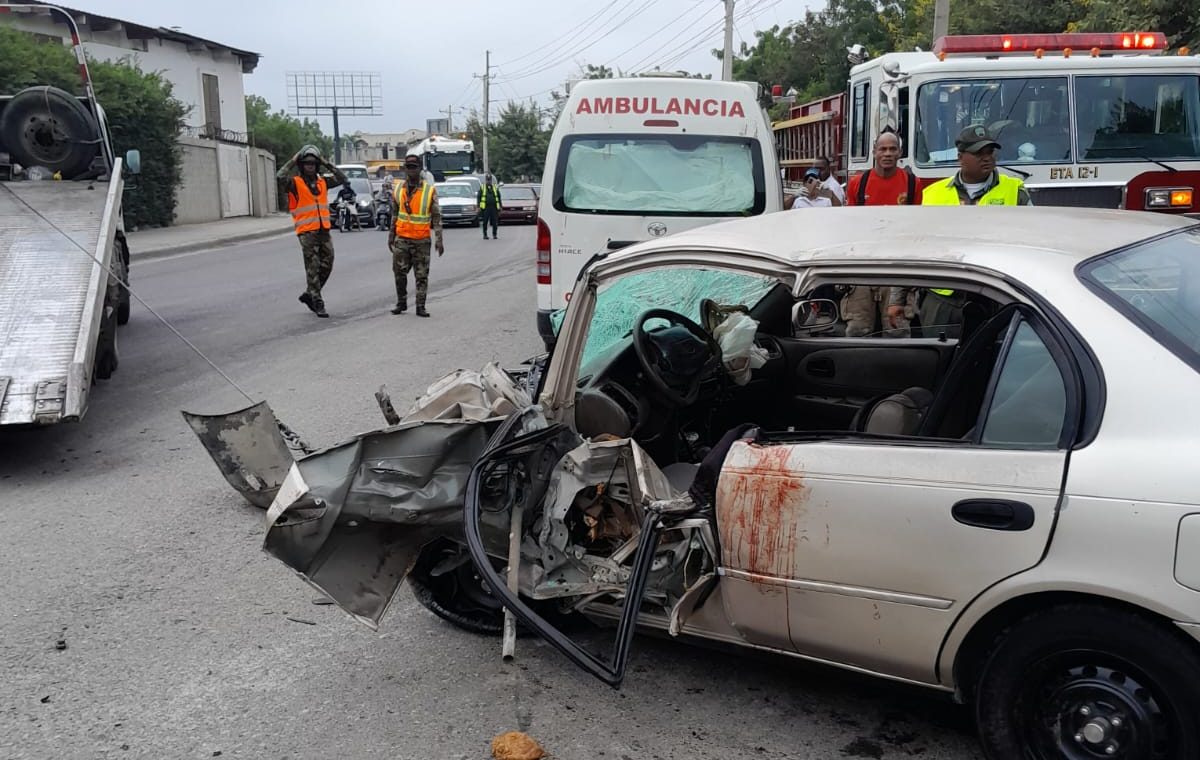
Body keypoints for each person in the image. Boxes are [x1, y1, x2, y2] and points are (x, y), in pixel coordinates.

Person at [841, 132, 920, 337]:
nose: (887, 154)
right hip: (862, 266)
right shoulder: (858, 184)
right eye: (882, 149)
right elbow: (849, 227)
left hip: (896, 267)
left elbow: (916, 227)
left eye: (892, 149)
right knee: (858, 328)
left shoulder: (913, 183)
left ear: (900, 153)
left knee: (897, 330)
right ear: (874, 152)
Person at [276, 145, 349, 319]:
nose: (310, 166)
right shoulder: (295, 183)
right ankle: (317, 302)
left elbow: (342, 178)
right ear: (302, 165)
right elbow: (279, 176)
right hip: (307, 231)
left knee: (328, 262)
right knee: (313, 267)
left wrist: (325, 162)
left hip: (323, 229)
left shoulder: (322, 181)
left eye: (313, 163)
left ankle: (310, 293)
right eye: (307, 163)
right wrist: (294, 159)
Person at [921, 125, 1032, 207]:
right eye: (978, 153)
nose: (987, 158)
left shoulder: (1015, 189)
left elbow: (1030, 231)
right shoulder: (932, 193)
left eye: (990, 152)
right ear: (960, 158)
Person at [389, 154, 443, 317]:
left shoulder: (429, 190)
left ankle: (420, 305)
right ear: (405, 169)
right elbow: (394, 213)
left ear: (419, 169)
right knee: (399, 273)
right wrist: (391, 234)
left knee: (421, 275)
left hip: (421, 240)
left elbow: (436, 217)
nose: (411, 170)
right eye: (409, 167)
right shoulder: (398, 189)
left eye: (414, 167)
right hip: (402, 238)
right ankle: (401, 302)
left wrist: (439, 239)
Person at [479, 173, 502, 239]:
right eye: (487, 180)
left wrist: (500, 206)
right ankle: (485, 235)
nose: (488, 181)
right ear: (485, 180)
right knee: (485, 222)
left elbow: (499, 197)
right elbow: (479, 197)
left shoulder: (495, 187)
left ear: (491, 180)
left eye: (489, 180)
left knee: (495, 222)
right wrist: (478, 206)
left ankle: (494, 234)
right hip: (485, 208)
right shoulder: (482, 187)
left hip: (494, 207)